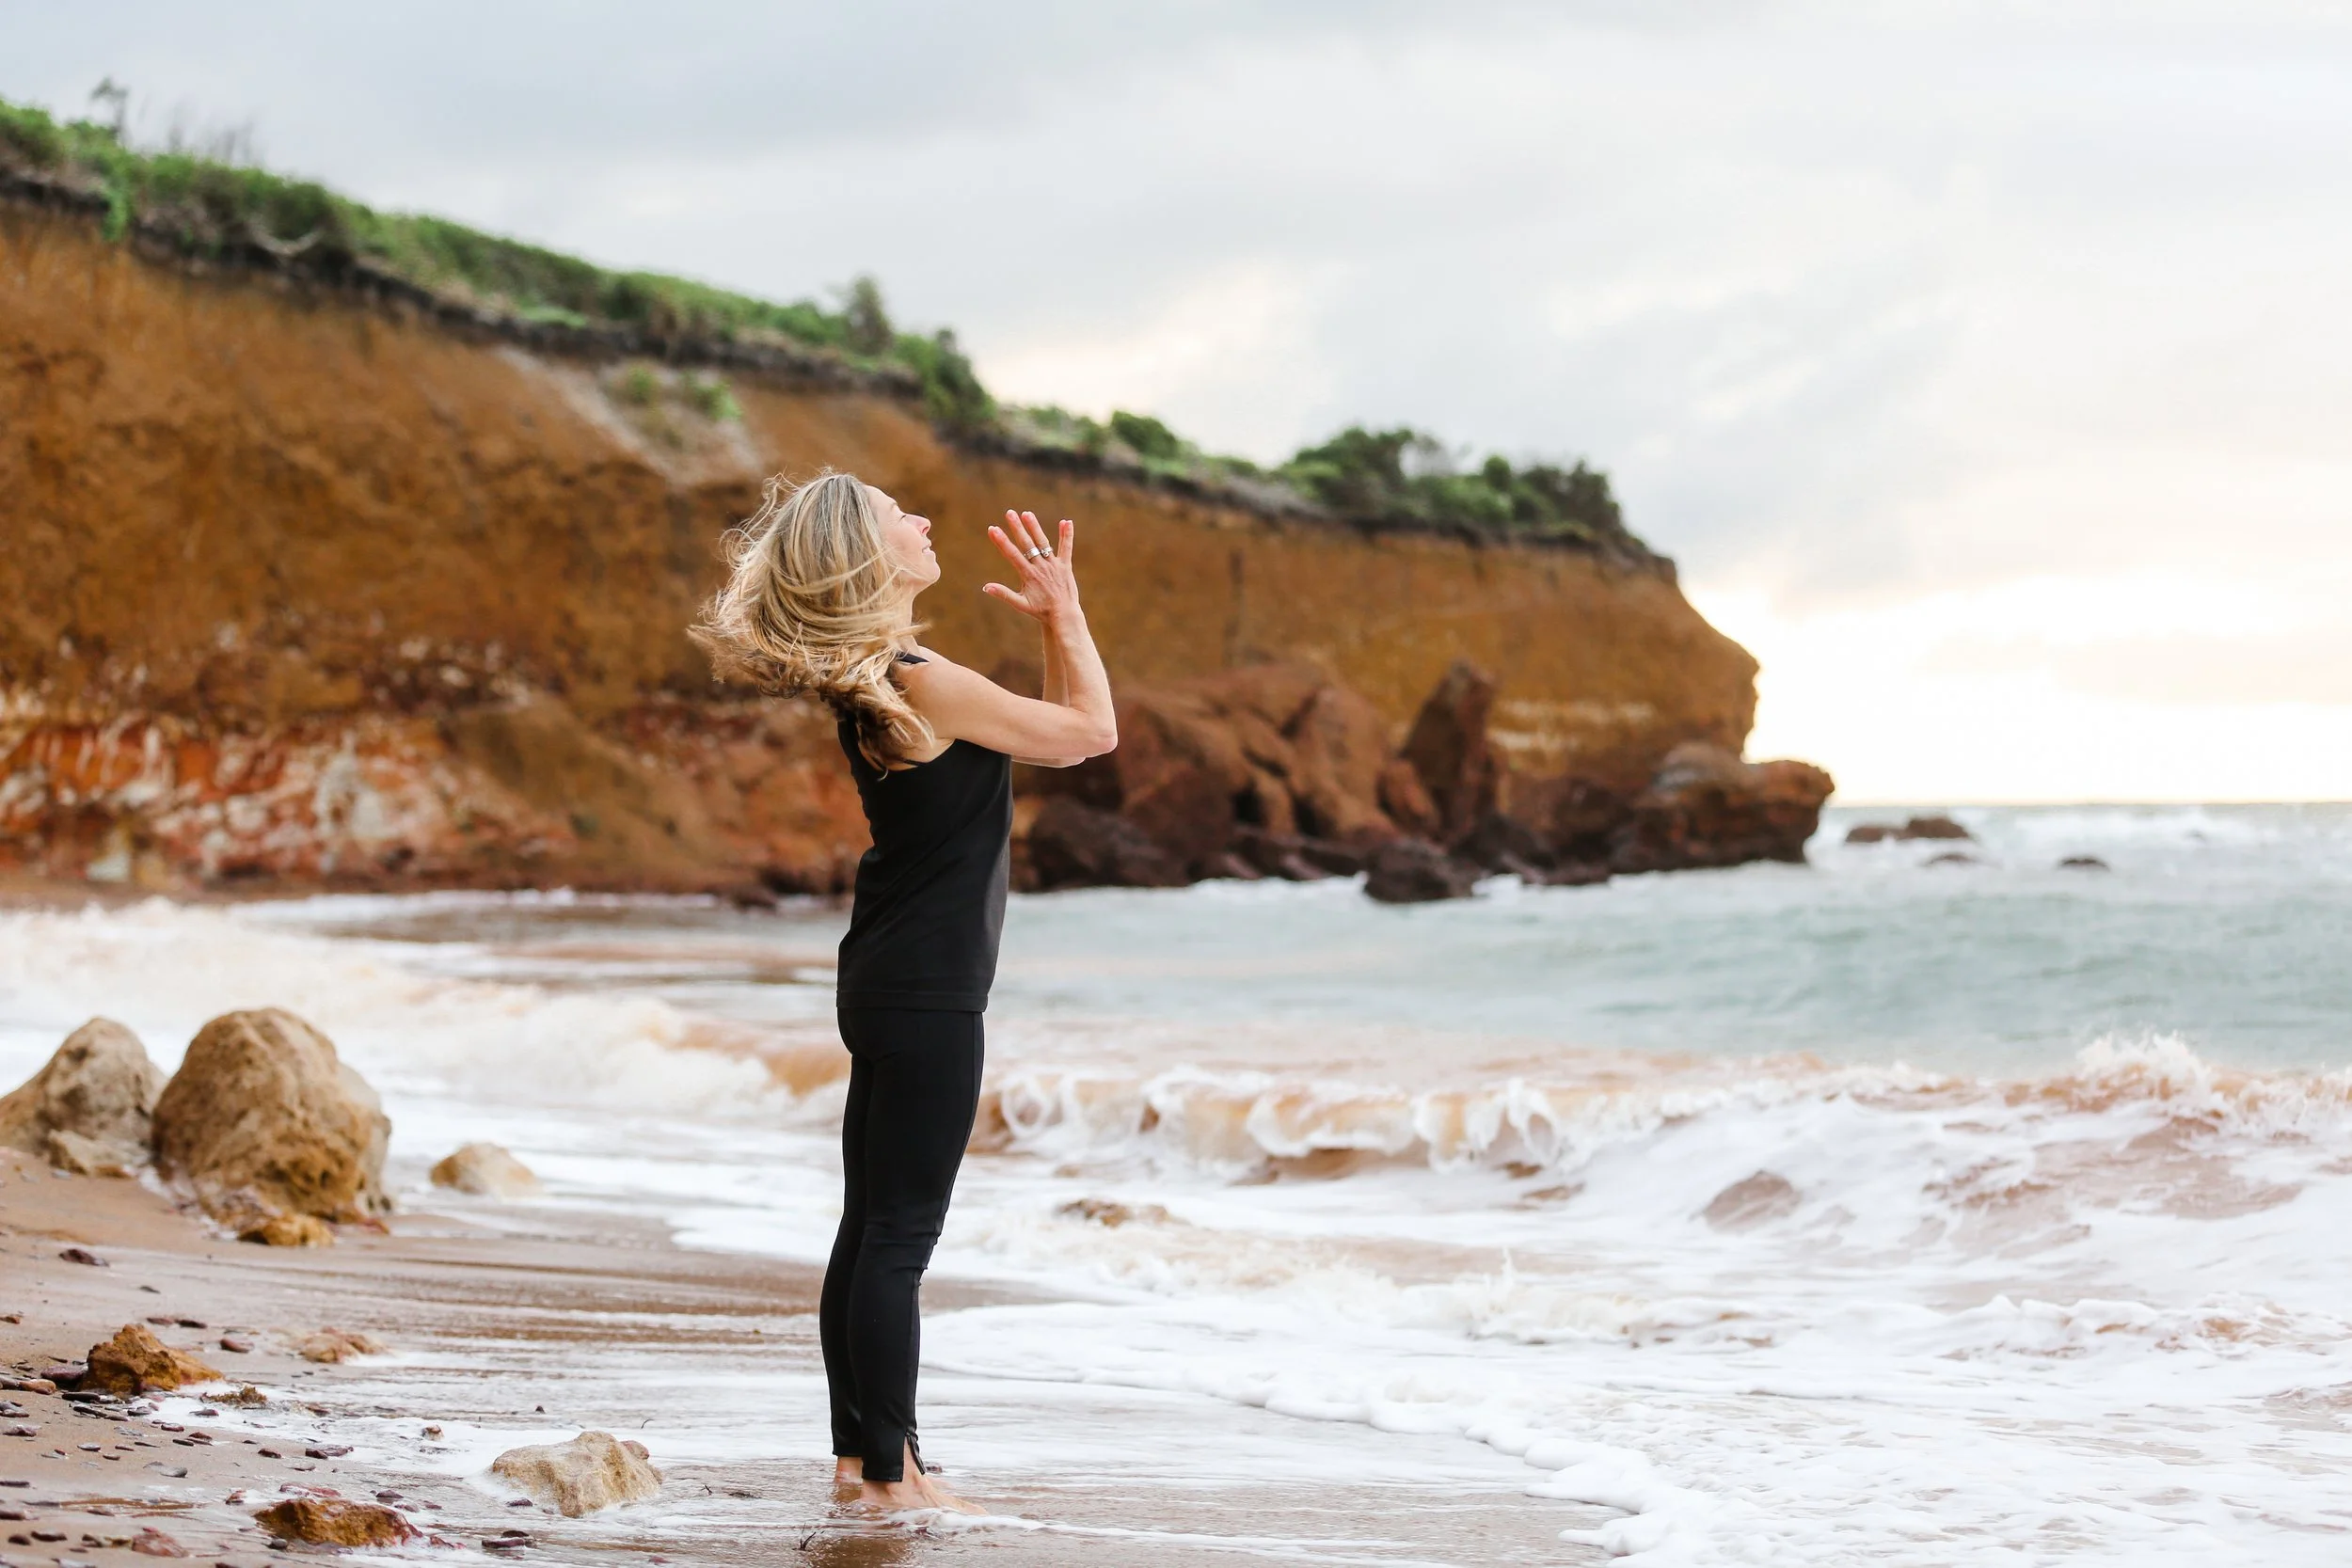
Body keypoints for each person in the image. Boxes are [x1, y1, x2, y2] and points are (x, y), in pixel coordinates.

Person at [691, 471, 1118, 1513]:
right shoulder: (917, 677)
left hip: (887, 980)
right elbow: (1089, 730)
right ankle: (889, 1477)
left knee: (871, 1227)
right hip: (927, 993)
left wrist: (1058, 620)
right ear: (867, 553)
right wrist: (1067, 615)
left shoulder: (878, 676)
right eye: (900, 517)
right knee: (897, 1236)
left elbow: (1056, 729)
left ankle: (868, 1457)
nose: (922, 523)